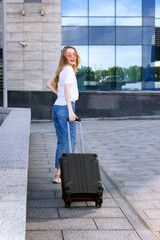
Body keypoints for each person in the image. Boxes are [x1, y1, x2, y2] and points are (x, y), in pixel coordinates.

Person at [46, 45, 80, 183]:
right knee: (70, 141)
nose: (72, 56)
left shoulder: (62, 70)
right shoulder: (69, 71)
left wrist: (58, 95)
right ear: (65, 57)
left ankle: (58, 174)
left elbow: (49, 84)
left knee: (62, 141)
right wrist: (71, 111)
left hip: (57, 107)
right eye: (69, 54)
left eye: (74, 53)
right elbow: (66, 90)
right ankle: (66, 172)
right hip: (66, 107)